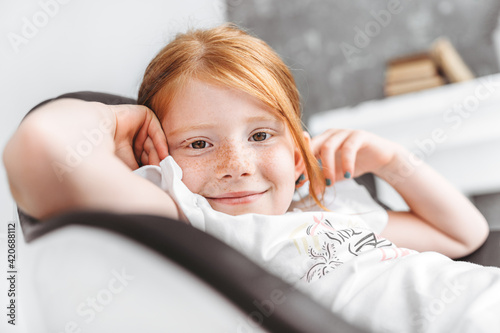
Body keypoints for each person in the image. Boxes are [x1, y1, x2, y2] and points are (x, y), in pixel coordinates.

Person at [3, 24, 498, 332]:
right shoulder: (192, 218)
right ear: (159, 158)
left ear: (299, 154)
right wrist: (118, 121)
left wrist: (391, 160)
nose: (236, 163)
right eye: (199, 144)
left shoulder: (326, 210)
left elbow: (462, 233)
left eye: (261, 135)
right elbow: (39, 149)